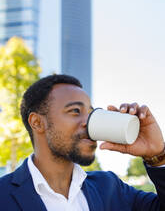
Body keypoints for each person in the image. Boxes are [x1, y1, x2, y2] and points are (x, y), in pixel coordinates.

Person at [0, 74, 165, 211]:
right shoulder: (3, 195)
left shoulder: (110, 189)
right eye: (75, 111)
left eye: (91, 113)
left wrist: (157, 154)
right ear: (37, 122)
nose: (89, 122)